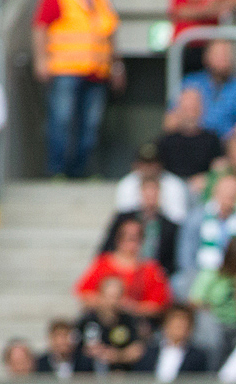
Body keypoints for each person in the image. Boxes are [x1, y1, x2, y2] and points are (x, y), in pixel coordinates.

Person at [32, 0, 122, 179]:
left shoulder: (102, 3)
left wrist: (117, 65)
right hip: (66, 70)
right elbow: (40, 28)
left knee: (90, 125)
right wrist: (41, 60)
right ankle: (57, 170)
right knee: (62, 121)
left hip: (97, 73)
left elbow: (109, 35)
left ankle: (80, 171)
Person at [99, 175, 179, 277]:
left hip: (155, 274)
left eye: (154, 192)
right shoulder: (123, 219)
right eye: (147, 192)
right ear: (141, 193)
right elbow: (107, 248)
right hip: (123, 270)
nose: (150, 196)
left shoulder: (170, 226)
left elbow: (172, 260)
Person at [180, 40, 236, 139]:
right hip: (195, 140)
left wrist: (226, 140)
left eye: (226, 54)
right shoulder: (191, 83)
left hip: (229, 143)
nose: (223, 59)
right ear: (206, 56)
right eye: (218, 54)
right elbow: (172, 119)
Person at [74, 276, 147, 373]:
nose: (113, 302)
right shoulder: (87, 320)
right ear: (100, 296)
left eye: (117, 297)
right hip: (89, 376)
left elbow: (137, 350)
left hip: (121, 375)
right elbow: (74, 349)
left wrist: (117, 356)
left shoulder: (128, 320)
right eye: (109, 297)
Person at [135, 304, 210, 381]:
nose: (178, 328)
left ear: (189, 328)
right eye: (175, 324)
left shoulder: (197, 357)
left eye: (182, 325)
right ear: (165, 325)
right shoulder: (147, 352)